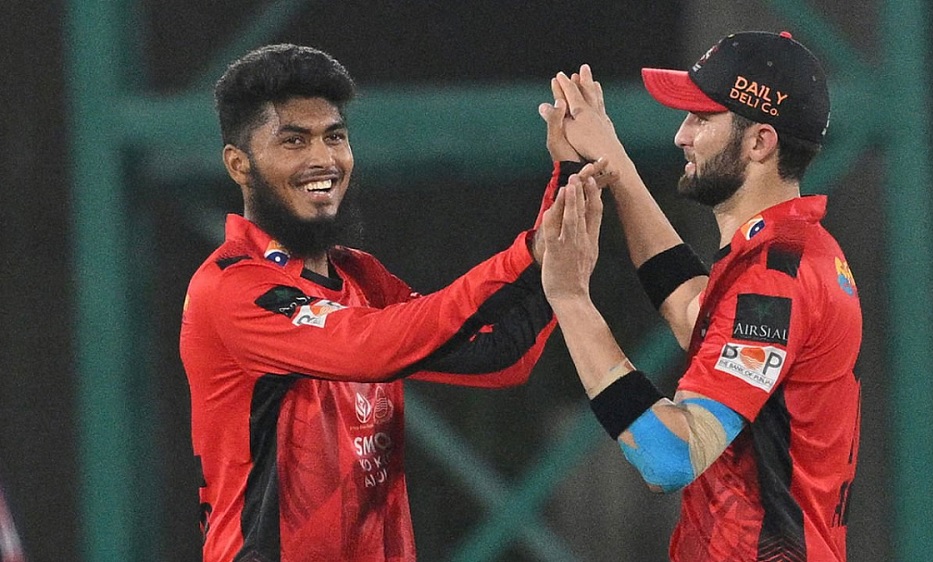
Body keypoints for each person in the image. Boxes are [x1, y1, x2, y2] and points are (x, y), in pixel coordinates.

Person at [179, 43, 610, 561]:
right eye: (293, 141)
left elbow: (498, 355)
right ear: (239, 164)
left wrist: (565, 200)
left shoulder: (359, 275)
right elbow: (371, 347)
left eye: (334, 136)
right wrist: (527, 253)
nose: (323, 159)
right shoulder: (231, 287)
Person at [535, 31, 862, 560]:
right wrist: (614, 163)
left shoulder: (775, 278)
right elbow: (694, 312)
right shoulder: (788, 252)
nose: (681, 136)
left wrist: (571, 300)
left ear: (759, 142)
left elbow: (668, 457)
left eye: (702, 119)